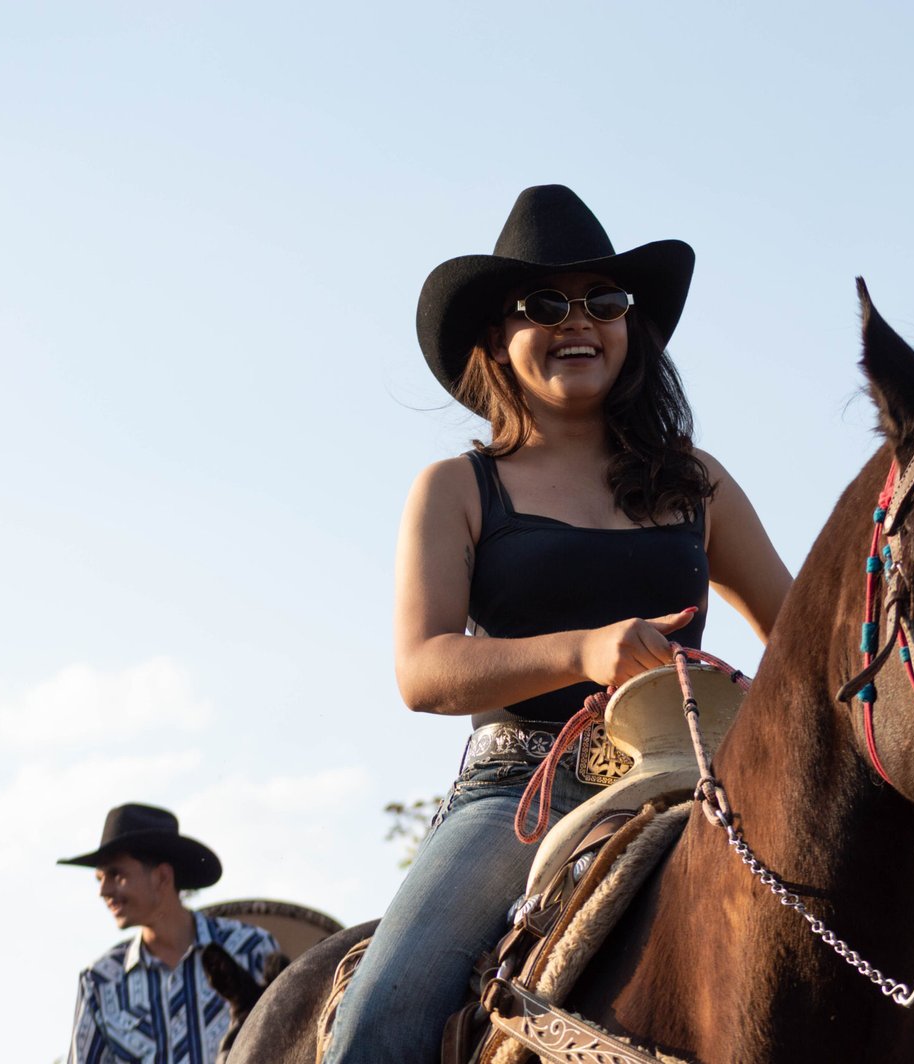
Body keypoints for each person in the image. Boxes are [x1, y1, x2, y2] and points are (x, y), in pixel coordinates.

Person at [322, 185, 791, 1064]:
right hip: (520, 796)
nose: (579, 322)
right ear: (497, 339)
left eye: (604, 301)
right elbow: (422, 671)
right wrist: (585, 650)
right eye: (544, 305)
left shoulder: (699, 483)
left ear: (630, 326)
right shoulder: (457, 489)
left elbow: (800, 644)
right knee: (380, 1023)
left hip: (698, 781)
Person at [60, 803, 280, 1064]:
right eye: (99, 879)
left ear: (162, 877)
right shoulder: (100, 981)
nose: (103, 891)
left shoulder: (252, 950)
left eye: (115, 875)